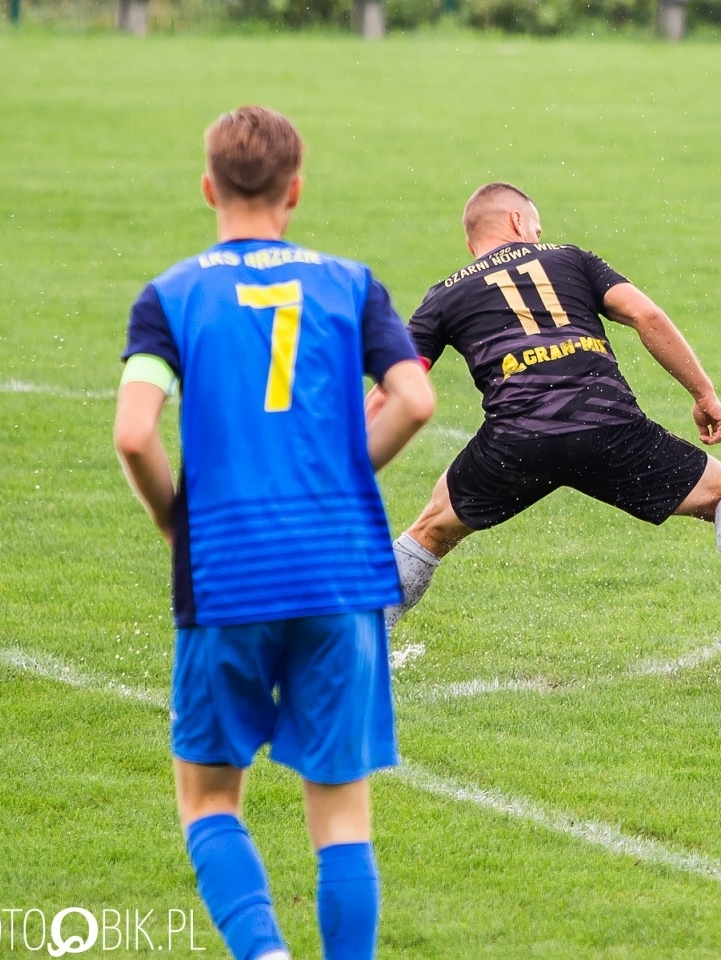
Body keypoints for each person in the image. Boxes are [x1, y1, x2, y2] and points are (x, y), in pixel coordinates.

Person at [114, 106, 434, 960]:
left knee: (211, 800)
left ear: (208, 188)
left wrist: (172, 518)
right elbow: (415, 398)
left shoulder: (171, 296)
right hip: (339, 569)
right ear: (295, 192)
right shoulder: (350, 283)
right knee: (338, 807)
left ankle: (263, 950)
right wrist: (345, 471)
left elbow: (135, 433)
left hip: (227, 570)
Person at [374, 182, 721, 660]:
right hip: (607, 426)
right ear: (516, 222)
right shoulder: (571, 258)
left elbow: (391, 389)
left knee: (428, 531)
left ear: (472, 243)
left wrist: (350, 456)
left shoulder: (445, 295)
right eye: (535, 225)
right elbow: (646, 316)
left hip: (516, 440)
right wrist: (703, 393)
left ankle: (365, 646)